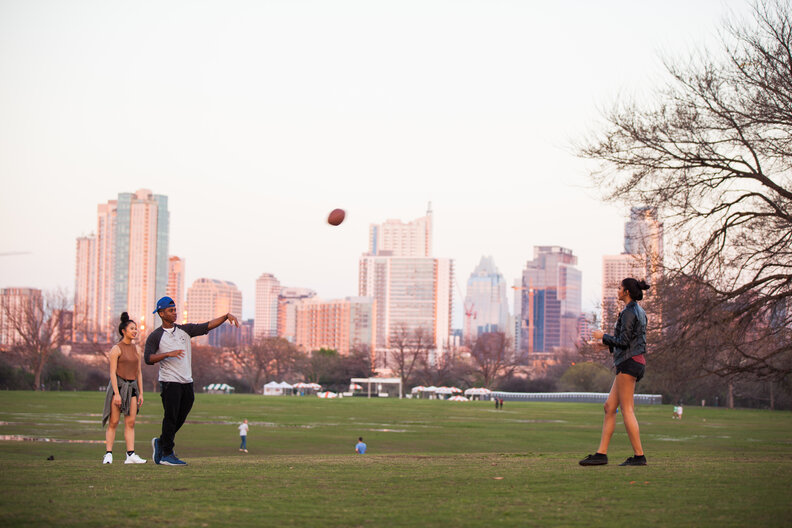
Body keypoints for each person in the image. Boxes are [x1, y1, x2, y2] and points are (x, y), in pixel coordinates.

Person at [145, 296, 239, 466]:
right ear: (161, 313)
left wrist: (226, 316)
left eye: (175, 310)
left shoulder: (185, 330)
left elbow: (207, 325)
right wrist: (167, 354)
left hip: (187, 382)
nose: (174, 313)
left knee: (181, 416)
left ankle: (161, 442)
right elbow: (148, 358)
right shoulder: (155, 336)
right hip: (169, 382)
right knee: (171, 417)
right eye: (170, 310)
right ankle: (167, 453)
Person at [580, 278, 650, 467]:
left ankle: (639, 456)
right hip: (632, 361)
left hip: (629, 363)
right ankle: (601, 454)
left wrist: (602, 336)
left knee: (627, 409)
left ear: (626, 291)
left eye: (619, 288)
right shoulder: (639, 311)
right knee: (610, 407)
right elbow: (630, 341)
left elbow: (624, 341)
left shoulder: (629, 312)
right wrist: (604, 346)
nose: (617, 290)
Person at [102, 312, 146, 464]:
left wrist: (141, 393)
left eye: (136, 329)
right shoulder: (116, 349)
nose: (135, 331)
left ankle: (131, 455)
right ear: (123, 331)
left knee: (131, 422)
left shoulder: (137, 349)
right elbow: (112, 373)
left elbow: (139, 372)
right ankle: (108, 454)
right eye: (132, 328)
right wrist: (116, 394)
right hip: (119, 387)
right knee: (114, 422)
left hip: (132, 388)